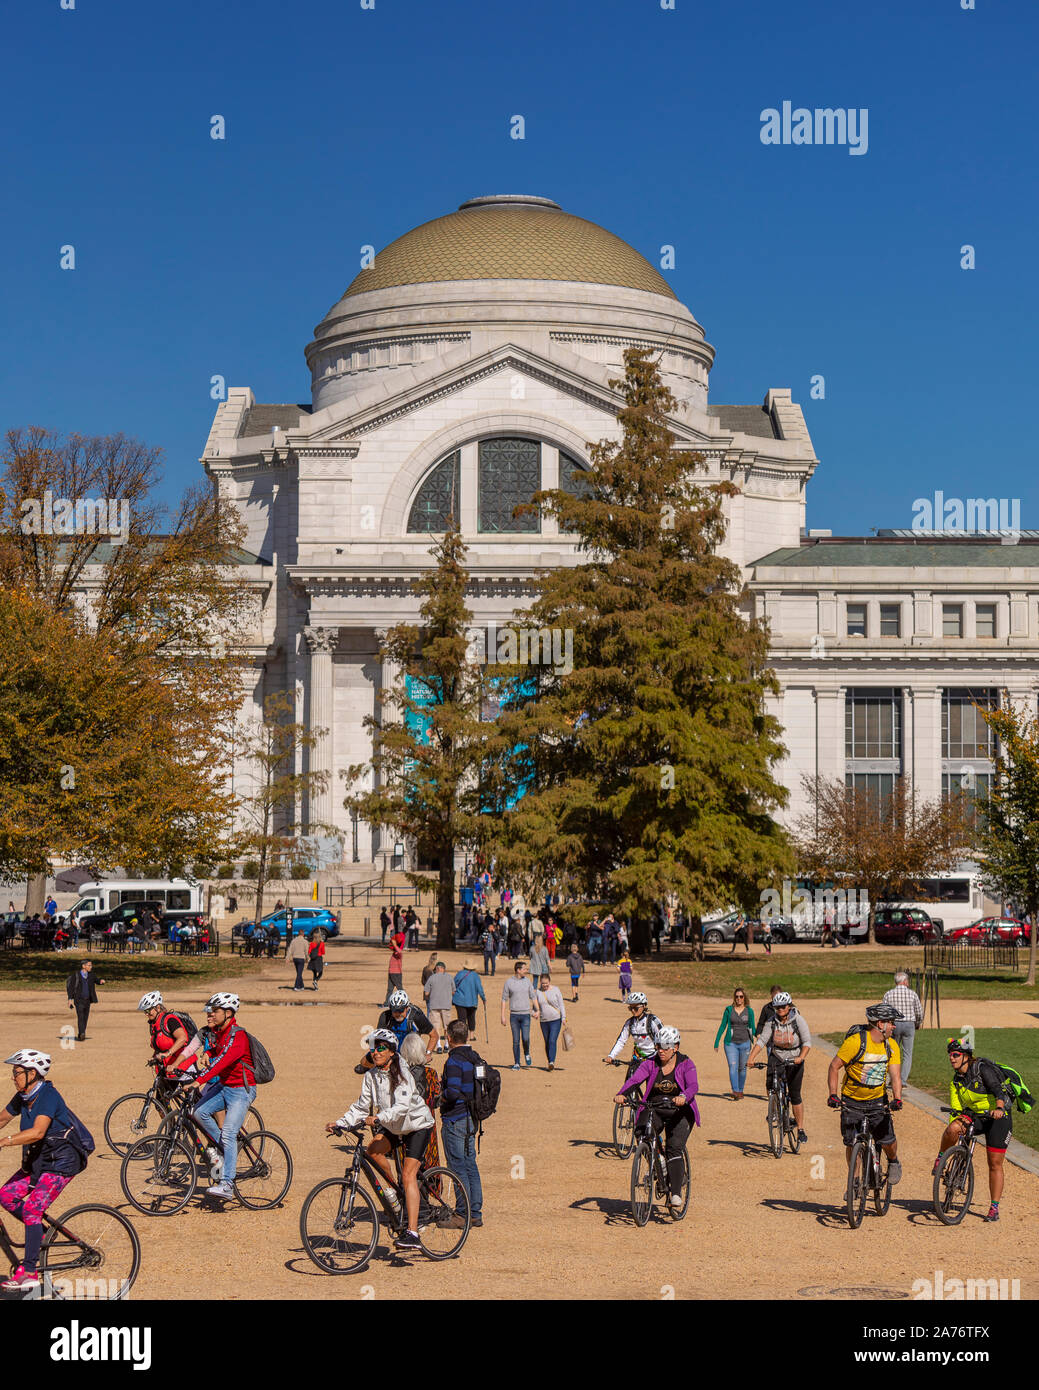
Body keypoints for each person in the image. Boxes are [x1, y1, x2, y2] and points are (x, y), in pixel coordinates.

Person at [328, 1028, 434, 1251]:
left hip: (416, 1124)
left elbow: (401, 1108)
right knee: (372, 1151)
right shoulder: (371, 1076)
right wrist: (341, 1123)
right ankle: (392, 1195)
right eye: (373, 1047)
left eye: (381, 1048)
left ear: (392, 1052)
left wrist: (377, 1118)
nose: (375, 1052)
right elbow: (360, 1107)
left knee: (407, 1174)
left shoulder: (403, 1073)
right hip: (393, 1125)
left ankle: (413, 1233)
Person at [0, 1050, 88, 1291]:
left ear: (32, 1073)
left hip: (61, 1163)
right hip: (39, 1162)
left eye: (16, 1072)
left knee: (32, 1208)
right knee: (6, 1195)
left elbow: (38, 1131)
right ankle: (39, 1233)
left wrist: (5, 1141)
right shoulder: (23, 1095)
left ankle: (29, 1273)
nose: (13, 1077)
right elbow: (2, 1118)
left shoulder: (48, 1096)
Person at [613, 1025, 700, 1210]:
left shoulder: (686, 1063)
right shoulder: (650, 1063)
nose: (660, 1051)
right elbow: (635, 1080)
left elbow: (693, 1086)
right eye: (658, 1046)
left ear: (675, 1047)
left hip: (680, 1111)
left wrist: (683, 1097)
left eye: (665, 1047)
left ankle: (675, 1192)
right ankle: (657, 1160)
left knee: (674, 1148)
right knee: (641, 1131)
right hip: (655, 1107)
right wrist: (622, 1094)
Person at [826, 1003, 904, 1187]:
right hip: (852, 1100)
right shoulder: (855, 1042)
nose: (894, 1026)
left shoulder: (891, 1046)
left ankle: (893, 1161)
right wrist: (833, 1094)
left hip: (878, 1100)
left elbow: (895, 1076)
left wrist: (897, 1098)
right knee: (851, 1142)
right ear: (880, 1024)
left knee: (887, 1140)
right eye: (891, 1023)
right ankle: (854, 1181)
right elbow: (834, 1067)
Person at [935, 1037, 1011, 1221]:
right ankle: (940, 1159)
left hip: (997, 1118)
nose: (951, 1058)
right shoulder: (957, 1079)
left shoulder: (982, 1070)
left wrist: (999, 1109)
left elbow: (998, 1091)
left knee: (994, 1163)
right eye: (950, 1055)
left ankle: (994, 1208)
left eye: (955, 1055)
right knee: (952, 1129)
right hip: (976, 1116)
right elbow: (956, 1111)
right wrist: (958, 1123)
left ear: (966, 1056)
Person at [192, 993, 257, 1200]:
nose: (211, 1014)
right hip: (225, 1085)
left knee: (229, 1133)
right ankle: (224, 1148)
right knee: (198, 1112)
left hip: (241, 1090)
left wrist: (199, 1080)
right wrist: (207, 1055)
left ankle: (227, 1184)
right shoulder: (219, 1033)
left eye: (215, 1011)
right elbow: (215, 1054)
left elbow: (223, 1061)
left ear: (228, 1013)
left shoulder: (238, 1036)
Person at [746, 991, 811, 1143]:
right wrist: (751, 1058)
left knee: (795, 1095)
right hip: (777, 1055)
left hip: (795, 1057)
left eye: (783, 1006)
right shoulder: (772, 1021)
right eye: (777, 1007)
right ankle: (774, 1108)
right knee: (770, 1083)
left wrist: (801, 1057)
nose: (780, 1009)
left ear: (789, 1006)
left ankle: (800, 1128)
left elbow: (807, 1042)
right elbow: (762, 1040)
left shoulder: (798, 1020)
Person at [440, 1019, 483, 1228]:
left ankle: (462, 1213)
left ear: (449, 1037)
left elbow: (453, 1091)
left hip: (455, 1119)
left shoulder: (454, 1061)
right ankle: (475, 1212)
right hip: (471, 1119)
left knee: (457, 1167)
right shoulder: (475, 1057)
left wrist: (440, 1096)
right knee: (470, 1165)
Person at [137, 991, 202, 1077]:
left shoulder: (170, 1020)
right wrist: (155, 1057)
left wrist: (167, 1053)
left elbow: (182, 1038)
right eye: (145, 1011)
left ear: (158, 1007)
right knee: (163, 1090)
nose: (146, 1014)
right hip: (167, 1066)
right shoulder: (154, 1024)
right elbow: (160, 1045)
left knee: (189, 1089)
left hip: (184, 1064)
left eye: (148, 1010)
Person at [714, 987, 756, 1100]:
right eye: (736, 996)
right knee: (733, 1066)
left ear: (744, 998)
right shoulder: (728, 1010)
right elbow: (723, 1026)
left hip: (745, 1043)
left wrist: (761, 1038)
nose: (738, 998)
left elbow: (752, 1027)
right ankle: (735, 1091)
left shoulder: (749, 1011)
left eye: (741, 996)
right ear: (734, 997)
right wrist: (716, 1041)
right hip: (730, 1043)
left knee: (742, 1068)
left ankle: (741, 1090)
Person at [883, 971, 923, 1083]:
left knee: (892, 1052)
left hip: (894, 1024)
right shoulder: (912, 994)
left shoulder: (888, 994)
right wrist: (918, 1023)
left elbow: (884, 1011)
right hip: (909, 1024)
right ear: (904, 981)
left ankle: (891, 1078)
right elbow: (919, 1011)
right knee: (907, 1054)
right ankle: (902, 1080)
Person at [604, 992, 664, 1067]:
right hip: (637, 1058)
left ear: (644, 1005)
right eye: (630, 1008)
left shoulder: (653, 1021)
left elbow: (664, 1039)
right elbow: (621, 1041)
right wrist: (611, 1056)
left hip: (654, 1058)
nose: (633, 1011)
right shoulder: (629, 1023)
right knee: (631, 1078)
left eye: (636, 1008)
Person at [374, 990, 440, 1057]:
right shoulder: (385, 1017)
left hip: (412, 1057)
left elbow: (434, 1036)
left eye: (401, 1010)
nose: (398, 1014)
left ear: (407, 1008)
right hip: (393, 1056)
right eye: (394, 1011)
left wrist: (428, 1054)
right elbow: (378, 1039)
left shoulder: (416, 1017)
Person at [501, 961, 540, 1070]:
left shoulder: (528, 981)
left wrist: (538, 1010)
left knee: (525, 1038)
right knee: (516, 1040)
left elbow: (533, 996)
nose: (526, 971)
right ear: (518, 970)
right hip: (514, 1015)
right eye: (524, 969)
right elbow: (504, 999)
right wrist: (502, 1016)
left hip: (526, 1015)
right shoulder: (509, 982)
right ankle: (517, 1062)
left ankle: (526, 1052)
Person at [536, 971, 566, 1070]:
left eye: (546, 983)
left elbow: (561, 1004)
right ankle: (550, 1061)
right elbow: (534, 1008)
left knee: (552, 1040)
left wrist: (564, 1017)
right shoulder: (537, 992)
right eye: (543, 983)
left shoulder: (556, 990)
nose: (544, 985)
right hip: (543, 1021)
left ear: (549, 981)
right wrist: (534, 1013)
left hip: (555, 1019)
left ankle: (552, 1061)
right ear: (540, 982)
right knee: (547, 1042)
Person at [452, 960, 486, 1042]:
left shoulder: (459, 974)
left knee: (461, 1019)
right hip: (472, 1000)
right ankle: (471, 1036)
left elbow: (453, 985)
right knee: (471, 1017)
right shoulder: (476, 976)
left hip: (459, 1000)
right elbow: (479, 989)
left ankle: (463, 1036)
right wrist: (483, 998)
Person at [423, 963, 454, 1052]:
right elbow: (453, 991)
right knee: (447, 1025)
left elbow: (426, 993)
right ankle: (447, 1045)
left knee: (435, 1025)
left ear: (437, 968)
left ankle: (439, 1045)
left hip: (434, 1005)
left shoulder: (432, 977)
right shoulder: (449, 977)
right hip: (446, 1005)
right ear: (443, 969)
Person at [65, 959, 98, 1041]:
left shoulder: (91, 975)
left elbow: (96, 980)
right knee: (80, 1016)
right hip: (78, 999)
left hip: (87, 1000)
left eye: (91, 965)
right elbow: (71, 988)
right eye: (89, 965)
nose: (91, 967)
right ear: (84, 966)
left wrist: (101, 981)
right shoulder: (76, 975)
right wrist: (69, 1000)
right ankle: (82, 1033)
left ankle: (81, 1033)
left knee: (85, 1017)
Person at [387, 923, 406, 1003]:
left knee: (400, 988)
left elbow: (399, 951)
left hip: (396, 973)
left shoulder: (398, 953)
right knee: (390, 989)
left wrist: (395, 945)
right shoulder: (394, 953)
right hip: (391, 973)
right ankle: (386, 1002)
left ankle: (405, 1001)